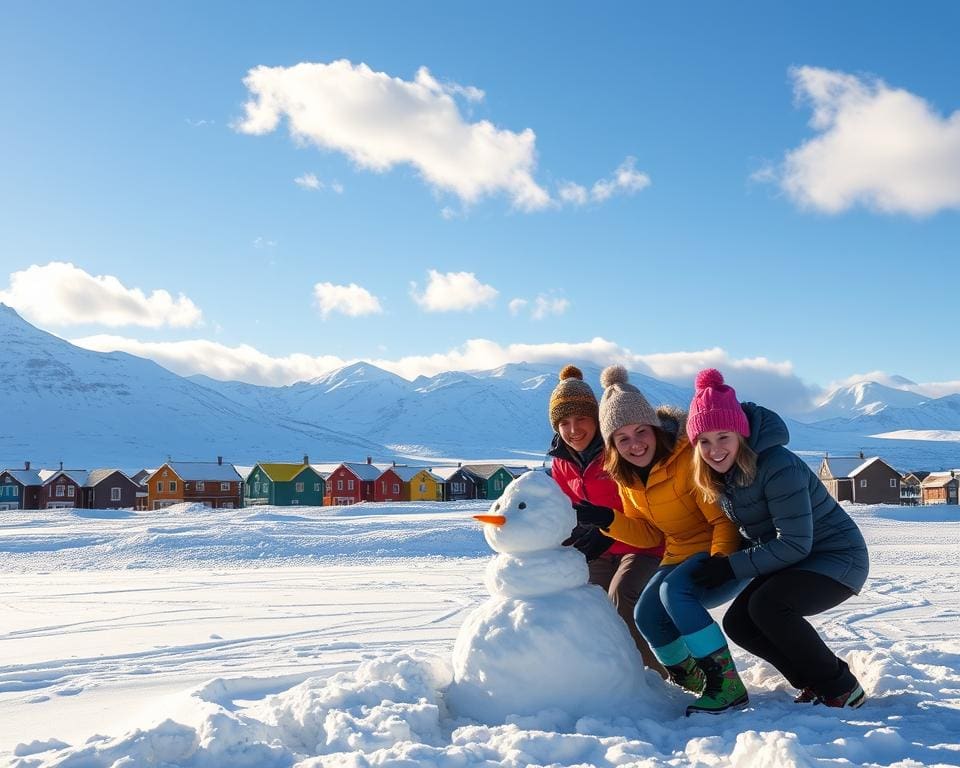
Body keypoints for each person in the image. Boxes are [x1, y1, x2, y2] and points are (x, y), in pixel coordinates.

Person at [686, 368, 870, 709]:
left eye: (723, 437)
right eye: (704, 442)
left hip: (837, 558)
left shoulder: (777, 465)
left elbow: (795, 542)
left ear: (740, 434)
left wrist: (731, 568)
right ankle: (815, 682)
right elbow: (757, 531)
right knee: (739, 623)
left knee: (768, 606)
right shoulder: (722, 475)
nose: (714, 450)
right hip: (797, 559)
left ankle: (840, 686)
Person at [573, 365, 749, 715]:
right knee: (646, 613)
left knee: (675, 594)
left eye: (641, 431)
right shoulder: (627, 479)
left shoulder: (687, 459)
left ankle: (727, 684)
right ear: (612, 446)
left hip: (715, 548)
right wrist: (608, 520)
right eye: (622, 438)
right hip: (677, 552)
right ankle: (692, 679)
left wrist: (722, 560)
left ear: (655, 428)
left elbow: (722, 519)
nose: (635, 443)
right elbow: (649, 534)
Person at [547, 364, 667, 678]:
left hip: (642, 544)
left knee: (622, 596)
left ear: (596, 419)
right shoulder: (561, 463)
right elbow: (566, 510)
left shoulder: (619, 449)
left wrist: (608, 532)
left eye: (581, 419)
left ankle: (655, 675)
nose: (573, 430)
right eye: (564, 422)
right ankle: (601, 676)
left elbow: (642, 504)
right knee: (587, 602)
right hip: (599, 549)